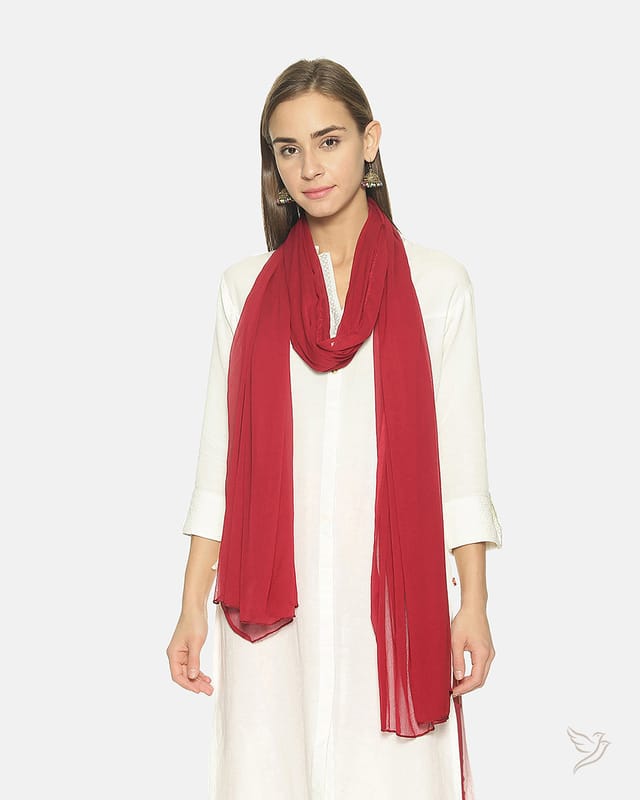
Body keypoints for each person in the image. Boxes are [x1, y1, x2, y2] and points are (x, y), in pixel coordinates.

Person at [166, 57, 503, 800]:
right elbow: (219, 461)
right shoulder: (243, 290)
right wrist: (191, 605)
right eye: (288, 149)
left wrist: (473, 604)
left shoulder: (438, 285)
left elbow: (461, 462)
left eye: (329, 141)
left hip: (387, 603)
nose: (309, 168)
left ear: (370, 140)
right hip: (270, 608)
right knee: (269, 775)